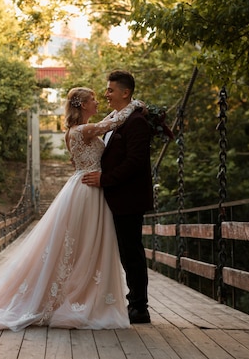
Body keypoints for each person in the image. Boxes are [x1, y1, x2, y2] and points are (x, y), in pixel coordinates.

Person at [0, 87, 144, 332]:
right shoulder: (85, 130)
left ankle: (79, 294)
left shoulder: (73, 132)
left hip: (83, 186)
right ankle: (78, 297)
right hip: (89, 189)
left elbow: (102, 127)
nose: (98, 102)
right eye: (93, 100)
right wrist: (136, 104)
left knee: (78, 245)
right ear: (83, 105)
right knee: (83, 244)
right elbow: (115, 120)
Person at [82, 70, 153, 324]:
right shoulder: (116, 120)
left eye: (111, 90)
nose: (106, 94)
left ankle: (139, 308)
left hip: (128, 198)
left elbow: (135, 162)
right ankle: (128, 302)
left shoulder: (136, 123)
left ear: (126, 93)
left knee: (131, 252)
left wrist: (105, 179)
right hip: (113, 198)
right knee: (124, 251)